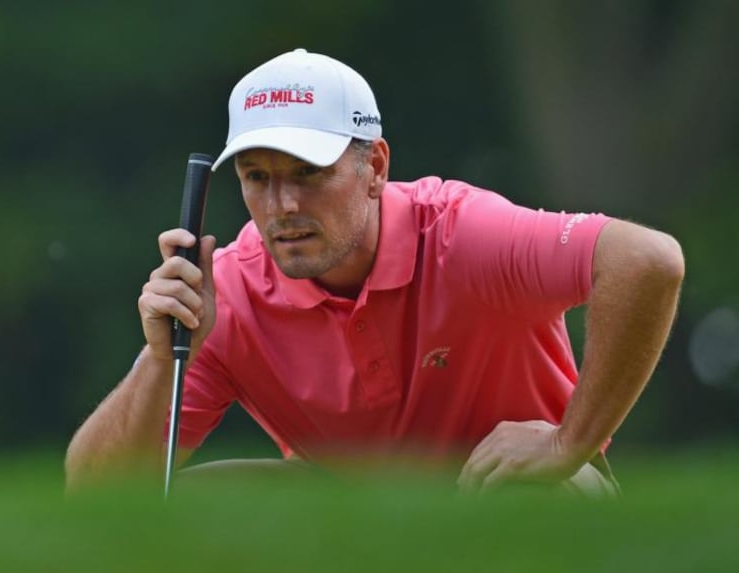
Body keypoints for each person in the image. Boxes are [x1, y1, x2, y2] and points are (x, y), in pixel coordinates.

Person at [64, 48, 684, 495]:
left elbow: (647, 260)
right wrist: (161, 357)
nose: (283, 207)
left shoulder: (463, 234)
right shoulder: (225, 293)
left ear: (376, 166)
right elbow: (97, 496)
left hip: (519, 484)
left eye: (309, 173)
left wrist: (567, 443)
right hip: (351, 508)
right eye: (258, 177)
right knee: (194, 507)